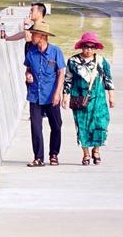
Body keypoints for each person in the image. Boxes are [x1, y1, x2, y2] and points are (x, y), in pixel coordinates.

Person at [21, 19, 67, 167]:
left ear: (41, 36)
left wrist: (57, 93)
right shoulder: (31, 52)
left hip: (51, 95)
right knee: (35, 127)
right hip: (35, 95)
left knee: (56, 125)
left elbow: (61, 73)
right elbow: (28, 69)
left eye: (33, 34)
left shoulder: (55, 52)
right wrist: (28, 75)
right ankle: (38, 157)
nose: (31, 36)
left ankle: (54, 154)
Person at [66, 31, 113, 165]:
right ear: (82, 47)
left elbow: (108, 80)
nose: (88, 50)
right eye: (86, 46)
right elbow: (68, 80)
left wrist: (111, 97)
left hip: (98, 99)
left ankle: (96, 150)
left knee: (100, 124)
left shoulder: (102, 61)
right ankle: (86, 154)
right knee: (82, 125)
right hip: (80, 98)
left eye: (92, 47)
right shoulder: (73, 61)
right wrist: (65, 96)